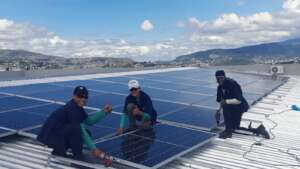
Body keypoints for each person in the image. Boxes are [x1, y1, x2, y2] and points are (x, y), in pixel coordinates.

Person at [37, 86, 113, 163]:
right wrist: (93, 149)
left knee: (85, 132)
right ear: (74, 96)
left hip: (55, 135)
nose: (83, 99)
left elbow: (89, 121)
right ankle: (77, 157)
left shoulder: (77, 107)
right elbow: (81, 131)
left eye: (85, 97)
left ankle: (61, 149)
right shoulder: (72, 109)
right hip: (50, 138)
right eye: (80, 96)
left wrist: (104, 112)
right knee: (77, 130)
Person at [215, 70, 270, 139]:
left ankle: (228, 132)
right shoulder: (220, 87)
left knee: (226, 107)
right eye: (218, 78)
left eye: (221, 78)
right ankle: (259, 130)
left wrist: (226, 102)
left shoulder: (232, 84)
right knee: (235, 127)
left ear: (224, 77)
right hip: (232, 107)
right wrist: (218, 110)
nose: (220, 80)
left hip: (240, 107)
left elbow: (238, 100)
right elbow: (221, 100)